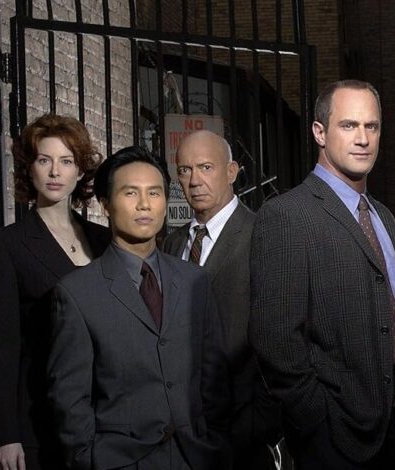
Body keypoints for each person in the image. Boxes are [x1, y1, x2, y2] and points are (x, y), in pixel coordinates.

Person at [248, 79, 395, 469]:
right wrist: (318, 423)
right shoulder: (286, 216)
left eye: (372, 126)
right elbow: (276, 342)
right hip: (339, 437)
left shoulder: (383, 217)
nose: (363, 139)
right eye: (349, 125)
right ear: (320, 132)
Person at [47, 146, 231, 469]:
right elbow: (69, 400)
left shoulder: (194, 281)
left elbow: (214, 378)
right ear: (105, 204)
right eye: (130, 193)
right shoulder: (77, 294)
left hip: (196, 456)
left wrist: (215, 444)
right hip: (120, 460)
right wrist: (91, 459)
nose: (144, 204)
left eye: (154, 193)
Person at [0, 114, 110, 470]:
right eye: (44, 160)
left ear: (80, 171)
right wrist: (6, 435)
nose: (55, 171)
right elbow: (0, 349)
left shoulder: (103, 240)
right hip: (39, 417)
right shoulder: (7, 244)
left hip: (103, 414)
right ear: (30, 169)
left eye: (66, 161)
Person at [162, 130, 281, 469]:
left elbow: (280, 336)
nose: (194, 180)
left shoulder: (262, 235)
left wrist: (262, 425)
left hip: (243, 430)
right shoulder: (172, 244)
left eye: (205, 167)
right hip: (183, 429)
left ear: (231, 172)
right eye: (185, 170)